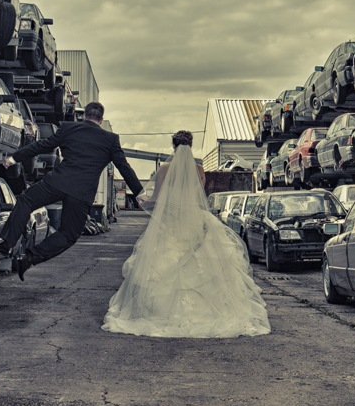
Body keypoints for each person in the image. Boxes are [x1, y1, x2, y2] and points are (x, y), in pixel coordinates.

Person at [102, 130, 271, 338]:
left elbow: (156, 199)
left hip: (172, 219)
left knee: (164, 260)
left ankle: (161, 312)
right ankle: (209, 311)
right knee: (203, 260)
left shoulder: (164, 169)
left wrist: (143, 201)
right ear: (190, 146)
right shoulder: (198, 169)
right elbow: (200, 195)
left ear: (173, 146)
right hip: (194, 219)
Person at [0, 101, 144, 280]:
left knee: (26, 200)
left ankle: (7, 243)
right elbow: (124, 168)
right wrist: (139, 194)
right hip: (81, 194)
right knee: (69, 234)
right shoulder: (111, 140)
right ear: (101, 120)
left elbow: (41, 146)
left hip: (56, 183)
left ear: (84, 116)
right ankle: (30, 258)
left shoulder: (68, 129)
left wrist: (14, 158)